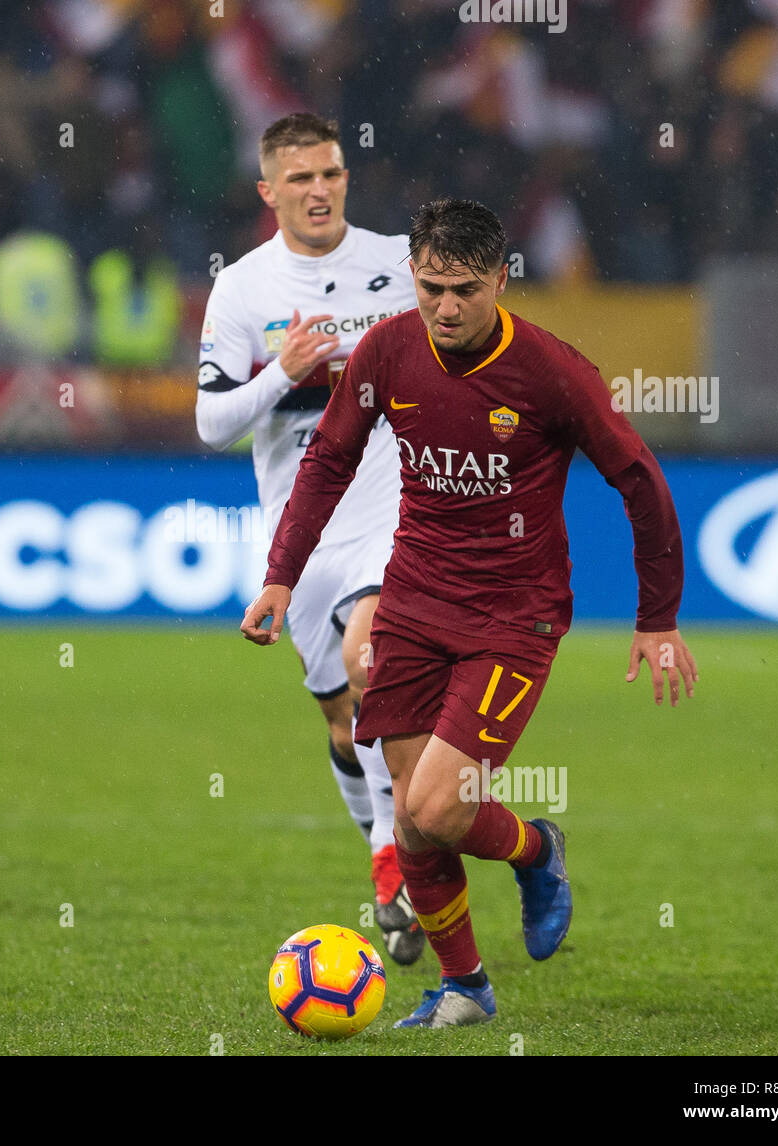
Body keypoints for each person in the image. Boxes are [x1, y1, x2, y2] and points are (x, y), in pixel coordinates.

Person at [241, 198, 697, 1027]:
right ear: (412, 274)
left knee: (434, 808)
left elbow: (640, 480)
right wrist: (281, 576)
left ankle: (536, 849)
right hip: (411, 601)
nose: (445, 308)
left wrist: (656, 615)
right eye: (430, 287)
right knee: (416, 826)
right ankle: (467, 989)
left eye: (463, 290)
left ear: (501, 279)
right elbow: (329, 462)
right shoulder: (387, 350)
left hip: (512, 617)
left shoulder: (554, 372)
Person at [196, 113, 425, 963]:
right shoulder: (244, 290)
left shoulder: (400, 264)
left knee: (375, 662)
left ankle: (390, 867)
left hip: (392, 501)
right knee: (340, 718)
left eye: (329, 173)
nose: (319, 190)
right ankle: (390, 855)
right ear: (269, 192)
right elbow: (211, 422)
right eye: (299, 180)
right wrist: (279, 375)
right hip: (303, 524)